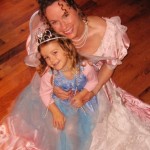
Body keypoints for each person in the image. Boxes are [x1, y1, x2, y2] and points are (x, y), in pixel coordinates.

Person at [24, 0, 150, 149]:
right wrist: (53, 87)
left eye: (65, 15)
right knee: (56, 130)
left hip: (94, 82)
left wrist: (91, 92)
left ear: (76, 9)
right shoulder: (48, 33)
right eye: (55, 22)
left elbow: (109, 67)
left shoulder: (107, 32)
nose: (64, 27)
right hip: (61, 86)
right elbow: (42, 63)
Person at [0, 27, 99, 149]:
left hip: (81, 102)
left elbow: (93, 82)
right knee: (57, 130)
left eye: (54, 52)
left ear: (66, 48)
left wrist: (82, 95)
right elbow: (44, 93)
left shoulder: (85, 67)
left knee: (77, 128)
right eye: (46, 57)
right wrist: (55, 112)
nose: (52, 60)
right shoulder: (50, 74)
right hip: (59, 104)